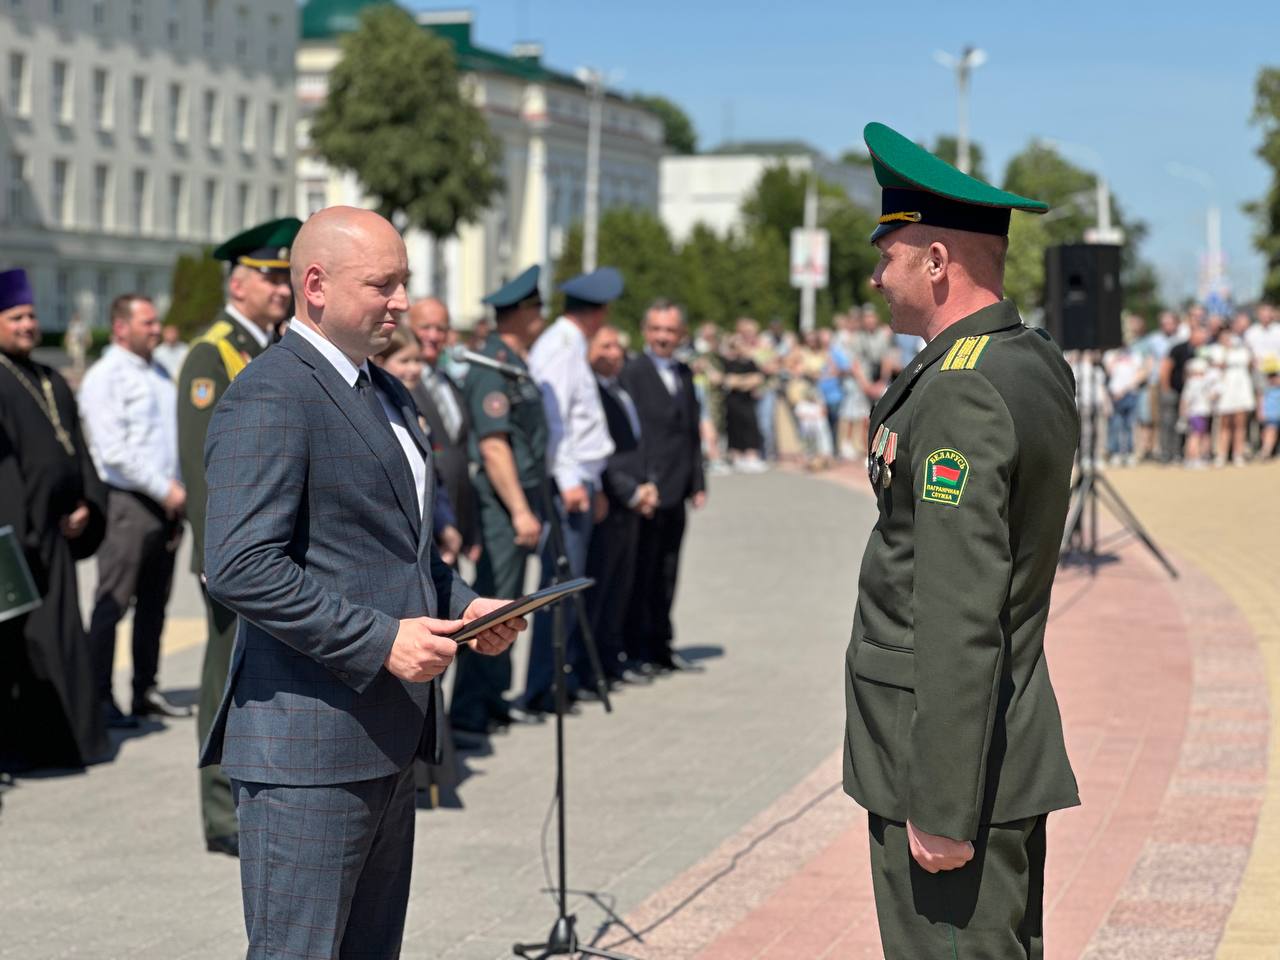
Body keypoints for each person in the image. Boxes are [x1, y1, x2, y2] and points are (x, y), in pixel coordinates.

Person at [198, 207, 521, 958]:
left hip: (386, 737)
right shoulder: (272, 393)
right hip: (307, 750)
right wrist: (379, 642)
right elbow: (240, 564)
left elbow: (396, 552)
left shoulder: (385, 391)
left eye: (404, 281)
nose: (402, 301)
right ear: (315, 285)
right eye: (383, 284)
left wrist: (467, 605)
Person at [844, 123, 1079, 957]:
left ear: (937, 261)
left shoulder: (960, 389)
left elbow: (957, 607)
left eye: (889, 257)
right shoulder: (1028, 359)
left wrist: (942, 803)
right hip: (996, 741)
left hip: (950, 767)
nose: (877, 278)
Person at [176, 216, 301, 858]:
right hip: (234, 554)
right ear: (238, 282)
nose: (281, 290)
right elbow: (203, 469)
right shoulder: (213, 353)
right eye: (269, 278)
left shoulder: (270, 346)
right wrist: (213, 553)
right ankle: (222, 812)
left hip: (269, 551)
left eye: (285, 279)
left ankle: (256, 799)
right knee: (224, 674)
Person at [0, 268, 108, 773]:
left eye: (31, 316)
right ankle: (31, 748)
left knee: (65, 638)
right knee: (28, 648)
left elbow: (78, 450)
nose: (28, 325)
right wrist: (21, 530)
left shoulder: (51, 378)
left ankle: (76, 742)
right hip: (21, 543)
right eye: (16, 317)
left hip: (60, 535)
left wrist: (88, 502)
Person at [79, 294, 188, 729]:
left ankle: (145, 689)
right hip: (129, 503)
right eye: (148, 322)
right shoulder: (105, 377)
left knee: (154, 605)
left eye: (157, 322)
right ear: (121, 327)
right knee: (113, 602)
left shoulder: (158, 371)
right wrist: (165, 489)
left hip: (167, 503)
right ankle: (98, 697)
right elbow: (114, 451)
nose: (157, 329)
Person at [449, 265, 548, 741]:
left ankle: (492, 699)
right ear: (522, 312)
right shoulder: (491, 365)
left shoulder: (511, 361)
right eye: (537, 308)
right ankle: (469, 710)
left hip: (518, 498)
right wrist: (521, 511)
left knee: (508, 602)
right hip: (503, 503)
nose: (542, 315)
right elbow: (493, 446)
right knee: (493, 602)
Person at [521, 267, 620, 712]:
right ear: (598, 312)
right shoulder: (560, 348)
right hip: (568, 485)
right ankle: (544, 688)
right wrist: (572, 480)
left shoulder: (568, 344)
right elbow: (553, 421)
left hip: (580, 480)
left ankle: (559, 680)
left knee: (567, 587)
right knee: (558, 590)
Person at [620, 300, 707, 674]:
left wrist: (697, 481)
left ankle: (661, 646)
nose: (663, 337)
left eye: (670, 330)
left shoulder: (684, 373)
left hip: (677, 488)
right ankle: (635, 650)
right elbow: (631, 435)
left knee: (668, 571)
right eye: (656, 329)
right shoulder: (632, 372)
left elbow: (690, 432)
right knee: (642, 572)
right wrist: (639, 483)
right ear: (645, 331)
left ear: (681, 334)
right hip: (647, 491)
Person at [583, 324, 658, 687]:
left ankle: (612, 660)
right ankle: (591, 668)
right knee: (600, 589)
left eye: (618, 346)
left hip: (631, 504)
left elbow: (640, 445)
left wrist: (648, 484)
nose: (614, 353)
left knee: (621, 588)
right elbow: (601, 455)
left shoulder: (620, 388)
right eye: (605, 346)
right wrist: (630, 492)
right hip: (609, 503)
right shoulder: (590, 393)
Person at [409, 297, 479, 561]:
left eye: (441, 329)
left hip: (455, 525)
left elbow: (460, 457)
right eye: (425, 327)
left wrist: (470, 529)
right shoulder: (400, 383)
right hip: (424, 528)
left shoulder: (448, 382)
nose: (433, 336)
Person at [1208, 315, 1255, 466]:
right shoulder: (1215, 350)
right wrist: (1226, 351)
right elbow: (1216, 366)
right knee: (1225, 423)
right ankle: (1221, 453)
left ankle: (1238, 453)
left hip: (1241, 386)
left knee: (1240, 423)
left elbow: (1250, 364)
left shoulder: (1242, 349)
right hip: (1224, 388)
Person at [721, 334, 766, 470]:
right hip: (733, 401)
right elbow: (729, 381)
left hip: (747, 400)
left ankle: (751, 456)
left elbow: (758, 378)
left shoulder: (750, 362)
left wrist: (740, 381)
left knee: (751, 426)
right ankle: (737, 456)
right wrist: (746, 381)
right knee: (735, 427)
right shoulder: (728, 362)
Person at [1180, 355, 1217, 468]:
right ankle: (1194, 458)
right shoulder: (1195, 382)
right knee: (1195, 436)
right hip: (1197, 412)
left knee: (1196, 436)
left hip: (1199, 412)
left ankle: (1194, 457)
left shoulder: (1194, 382)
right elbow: (1185, 400)